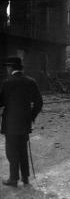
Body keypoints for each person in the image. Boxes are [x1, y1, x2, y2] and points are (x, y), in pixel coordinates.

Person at [0, 57, 43, 187]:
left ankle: (13, 179)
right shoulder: (31, 82)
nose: (7, 69)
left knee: (12, 152)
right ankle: (25, 178)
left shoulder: (7, 83)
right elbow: (39, 103)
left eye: (8, 67)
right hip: (25, 124)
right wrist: (31, 117)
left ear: (11, 68)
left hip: (11, 124)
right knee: (23, 150)